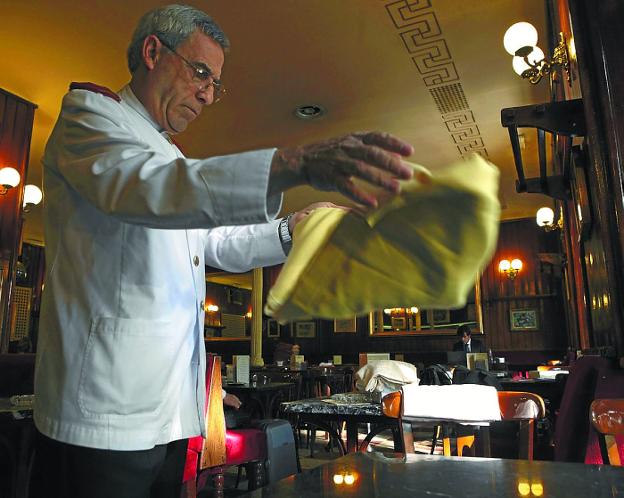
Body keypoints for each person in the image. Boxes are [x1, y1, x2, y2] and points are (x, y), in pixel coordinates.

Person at [33, 4, 415, 497]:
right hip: (102, 408)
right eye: (200, 73)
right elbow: (150, 188)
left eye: (215, 83)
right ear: (153, 52)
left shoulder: (170, 155)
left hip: (170, 408)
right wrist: (290, 164)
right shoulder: (91, 118)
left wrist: (289, 231)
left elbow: (211, 239)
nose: (208, 95)